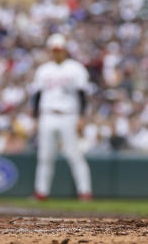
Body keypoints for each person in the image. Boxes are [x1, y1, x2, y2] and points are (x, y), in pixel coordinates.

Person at [30, 33, 93, 201]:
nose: (56, 53)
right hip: (48, 115)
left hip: (69, 115)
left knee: (74, 155)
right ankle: (41, 192)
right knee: (45, 156)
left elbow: (82, 95)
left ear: (65, 50)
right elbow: (37, 96)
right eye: (54, 50)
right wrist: (35, 118)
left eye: (59, 50)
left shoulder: (75, 68)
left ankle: (85, 191)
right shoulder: (43, 70)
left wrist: (81, 117)